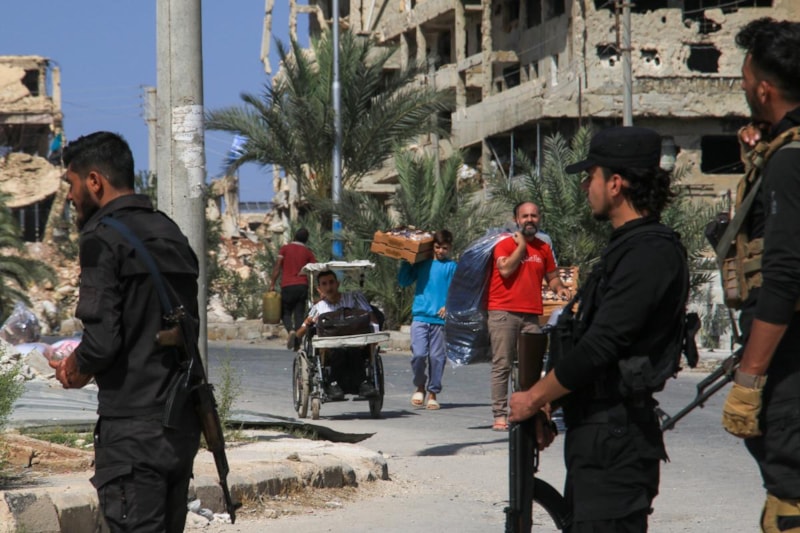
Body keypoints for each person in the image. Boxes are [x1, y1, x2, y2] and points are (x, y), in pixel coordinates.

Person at [509, 126, 690, 532]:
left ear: (615, 183)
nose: (584, 186)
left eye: (590, 176)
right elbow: (581, 337)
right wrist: (549, 405)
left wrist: (535, 397)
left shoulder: (649, 252)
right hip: (599, 436)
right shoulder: (626, 247)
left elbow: (601, 347)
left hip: (617, 441)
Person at [50, 131, 201, 532]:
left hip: (133, 433)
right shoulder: (171, 232)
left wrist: (73, 367)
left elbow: (102, 343)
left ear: (94, 181)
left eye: (71, 183)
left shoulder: (101, 238)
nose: (70, 196)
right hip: (180, 425)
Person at [719, 18, 800, 532]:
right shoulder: (781, 148)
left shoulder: (789, 162)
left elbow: (785, 278)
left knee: (790, 495)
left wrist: (749, 379)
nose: (745, 88)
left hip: (791, 362)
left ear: (764, 89)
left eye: (746, 80)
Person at [488, 201, 570, 431]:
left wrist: (560, 288)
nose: (530, 220)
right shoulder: (504, 244)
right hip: (503, 311)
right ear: (517, 220)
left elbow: (552, 276)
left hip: (531, 314)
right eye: (525, 216)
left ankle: (526, 411)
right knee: (502, 364)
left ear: (539, 218)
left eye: (534, 216)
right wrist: (522, 246)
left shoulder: (544, 248)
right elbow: (505, 269)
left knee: (531, 367)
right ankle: (500, 414)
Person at [295, 269, 379, 399]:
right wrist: (305, 326)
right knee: (338, 351)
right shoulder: (318, 308)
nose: (329, 287)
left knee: (353, 350)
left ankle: (363, 383)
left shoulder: (353, 299)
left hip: (355, 343)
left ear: (337, 283)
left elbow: (371, 317)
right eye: (324, 284)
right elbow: (303, 329)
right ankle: (333, 384)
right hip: (331, 348)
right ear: (319, 288)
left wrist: (375, 334)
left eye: (331, 282)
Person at [398, 229, 457, 410]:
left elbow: (457, 290)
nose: (441, 251)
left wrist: (448, 305)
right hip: (420, 316)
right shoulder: (422, 264)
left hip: (440, 320)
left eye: (444, 248)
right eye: (437, 247)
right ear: (432, 247)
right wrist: (406, 260)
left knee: (437, 357)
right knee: (419, 355)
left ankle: (433, 393)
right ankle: (420, 386)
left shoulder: (451, 267)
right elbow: (404, 281)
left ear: (450, 248)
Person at [270, 227, 316, 350]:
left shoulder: (285, 249)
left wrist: (272, 284)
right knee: (299, 314)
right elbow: (315, 269)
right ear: (306, 240)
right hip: (302, 286)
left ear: (294, 236)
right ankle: (297, 341)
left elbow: (277, 266)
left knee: (285, 312)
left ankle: (290, 330)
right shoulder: (308, 252)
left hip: (287, 286)